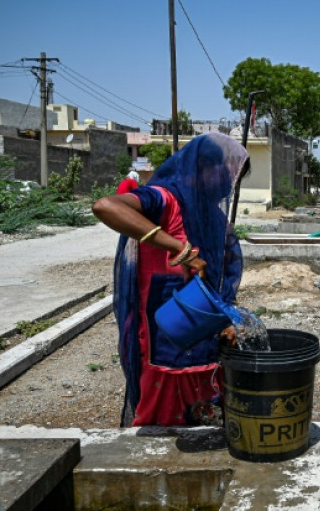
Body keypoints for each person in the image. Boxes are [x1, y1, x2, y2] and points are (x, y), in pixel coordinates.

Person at [92, 132, 249, 427]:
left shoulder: (214, 218)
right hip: (163, 326)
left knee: (206, 405)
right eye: (224, 174)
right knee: (164, 411)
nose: (228, 184)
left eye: (233, 179)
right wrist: (179, 248)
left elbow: (222, 278)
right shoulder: (163, 199)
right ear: (200, 168)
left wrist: (229, 317)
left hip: (204, 324)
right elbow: (106, 207)